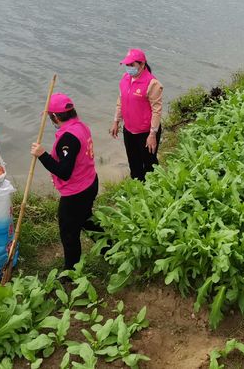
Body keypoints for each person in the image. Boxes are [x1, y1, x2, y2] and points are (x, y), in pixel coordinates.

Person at [31, 93, 102, 271]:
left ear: (54, 117)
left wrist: (42, 155)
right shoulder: (81, 126)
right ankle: (110, 247)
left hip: (77, 192)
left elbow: (64, 172)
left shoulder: (68, 138)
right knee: (86, 218)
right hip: (90, 181)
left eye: (50, 117)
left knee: (69, 233)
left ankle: (71, 271)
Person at [109, 49, 163, 182]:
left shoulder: (152, 84)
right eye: (127, 65)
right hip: (129, 130)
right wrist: (116, 121)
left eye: (132, 65)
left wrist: (152, 135)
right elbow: (120, 100)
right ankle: (138, 190)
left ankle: (154, 190)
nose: (128, 68)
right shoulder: (125, 79)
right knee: (134, 163)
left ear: (142, 64)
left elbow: (157, 111)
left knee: (149, 164)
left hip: (146, 133)